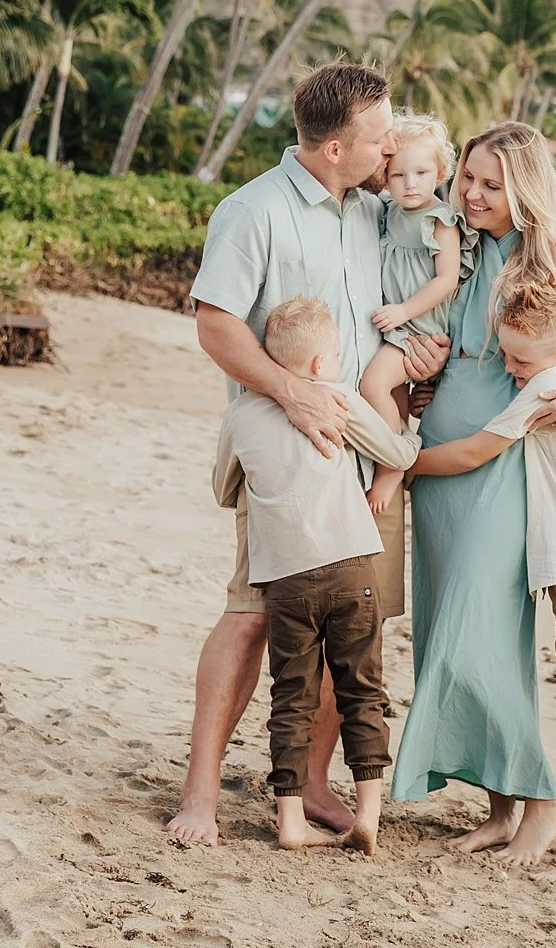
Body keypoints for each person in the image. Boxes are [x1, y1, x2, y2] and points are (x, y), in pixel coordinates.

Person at [167, 62, 449, 846]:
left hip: (368, 458)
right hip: (292, 465)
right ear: (333, 147)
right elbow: (216, 324)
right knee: (252, 618)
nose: (391, 145)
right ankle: (200, 797)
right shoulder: (252, 211)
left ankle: (317, 785)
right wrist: (289, 393)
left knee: (354, 625)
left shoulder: (371, 211)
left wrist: (414, 362)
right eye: (378, 134)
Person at [389, 121, 556, 868]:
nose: (471, 193)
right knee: (446, 632)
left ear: (525, 188)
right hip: (438, 460)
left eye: (490, 185)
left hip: (496, 464)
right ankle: (500, 805)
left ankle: (544, 802)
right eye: (467, 178)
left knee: (479, 632)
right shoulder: (453, 241)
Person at [409, 279, 556, 894]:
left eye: (519, 359)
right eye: (507, 356)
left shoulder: (551, 387)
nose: (509, 370)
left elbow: (472, 454)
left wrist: (398, 462)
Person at [212, 296, 420, 854]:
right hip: (353, 566)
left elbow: (221, 489)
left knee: (292, 695)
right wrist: (415, 428)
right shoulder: (340, 399)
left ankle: (290, 822)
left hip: (285, 581)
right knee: (362, 690)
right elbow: (397, 452)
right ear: (317, 366)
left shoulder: (241, 414)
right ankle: (369, 813)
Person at [359, 114, 469, 514]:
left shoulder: (440, 220)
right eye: (397, 174)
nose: (410, 184)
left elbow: (446, 280)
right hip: (398, 322)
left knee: (372, 386)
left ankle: (394, 458)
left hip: (418, 327)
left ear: (440, 172)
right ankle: (398, 443)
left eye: (422, 173)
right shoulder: (389, 210)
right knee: (395, 397)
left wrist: (403, 310)